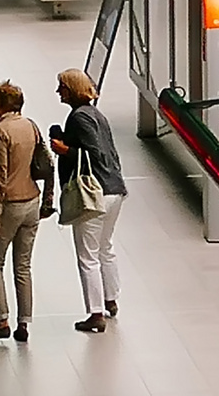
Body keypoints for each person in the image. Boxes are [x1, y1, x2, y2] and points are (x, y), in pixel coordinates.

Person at [50, 68, 127, 333]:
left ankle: (96, 313)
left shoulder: (78, 117)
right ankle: (111, 298)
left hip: (94, 193)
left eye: (62, 87)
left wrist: (65, 150)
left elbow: (93, 155)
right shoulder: (97, 115)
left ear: (71, 89)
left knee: (87, 255)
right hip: (114, 189)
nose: (58, 92)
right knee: (105, 247)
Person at [0, 81, 52, 343]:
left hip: (10, 204)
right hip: (32, 200)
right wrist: (48, 198)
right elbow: (47, 162)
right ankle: (25, 322)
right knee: (23, 265)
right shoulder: (30, 125)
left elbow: (0, 177)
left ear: (4, 104)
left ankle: (2, 319)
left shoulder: (0, 132)